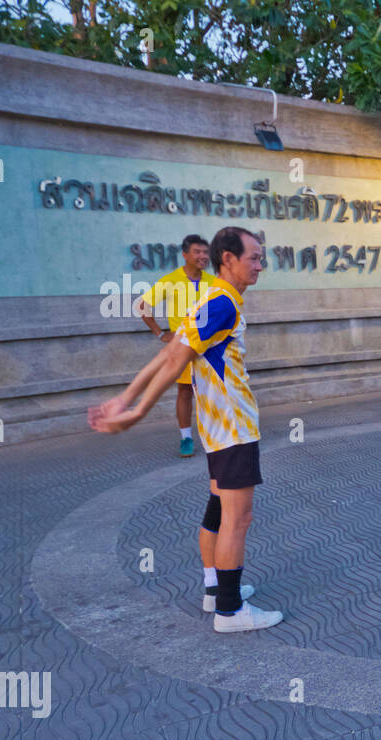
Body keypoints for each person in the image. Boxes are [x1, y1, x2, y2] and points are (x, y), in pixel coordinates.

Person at [90, 226, 281, 633]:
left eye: (261, 258)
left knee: (219, 509)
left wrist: (127, 400)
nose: (260, 265)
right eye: (254, 257)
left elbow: (172, 352)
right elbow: (175, 358)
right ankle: (230, 612)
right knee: (238, 518)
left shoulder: (209, 298)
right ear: (227, 259)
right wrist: (136, 410)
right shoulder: (222, 303)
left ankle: (216, 593)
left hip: (216, 428)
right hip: (232, 429)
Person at [134, 234, 215, 458]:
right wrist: (161, 334)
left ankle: (214, 433)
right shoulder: (171, 280)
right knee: (185, 391)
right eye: (197, 252)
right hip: (183, 348)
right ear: (185, 255)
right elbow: (142, 306)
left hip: (210, 348)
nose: (202, 256)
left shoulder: (213, 282)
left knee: (212, 391)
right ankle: (186, 438)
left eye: (205, 252)